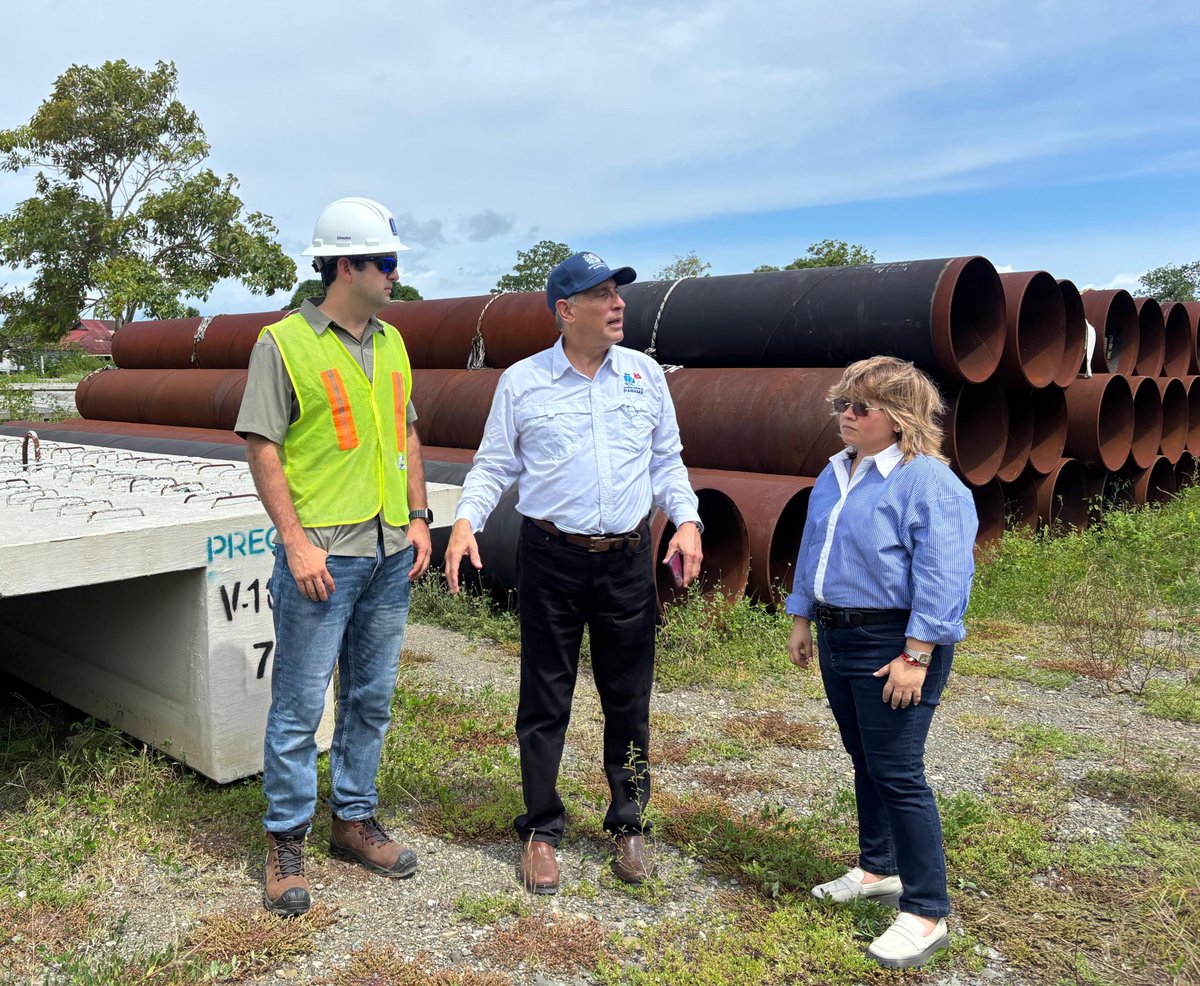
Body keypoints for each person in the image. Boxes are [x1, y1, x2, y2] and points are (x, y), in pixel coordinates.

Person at [444, 251, 703, 894]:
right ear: (565, 310)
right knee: (544, 696)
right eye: (602, 295)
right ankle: (540, 828)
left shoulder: (644, 375)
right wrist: (465, 521)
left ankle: (629, 822)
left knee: (628, 696)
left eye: (618, 293)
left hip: (626, 560)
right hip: (551, 557)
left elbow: (666, 461)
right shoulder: (524, 382)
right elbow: (494, 464)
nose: (618, 304)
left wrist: (688, 519)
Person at [236, 196, 433, 917]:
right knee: (298, 706)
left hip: (389, 552)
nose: (394, 274)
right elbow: (263, 447)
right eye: (385, 262)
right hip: (323, 559)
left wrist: (419, 517)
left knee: (371, 697)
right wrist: (295, 543)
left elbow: (406, 434)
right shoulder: (283, 343)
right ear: (345, 266)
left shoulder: (393, 343)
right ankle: (286, 841)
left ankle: (353, 819)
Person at [785, 356, 977, 970]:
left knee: (898, 771)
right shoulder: (836, 471)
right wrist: (801, 616)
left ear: (899, 418)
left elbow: (945, 574)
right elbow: (814, 546)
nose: (846, 415)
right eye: (841, 403)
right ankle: (877, 870)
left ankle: (926, 912)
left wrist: (916, 655)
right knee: (865, 757)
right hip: (839, 633)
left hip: (894, 641)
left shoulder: (928, 483)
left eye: (861, 407)